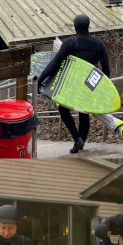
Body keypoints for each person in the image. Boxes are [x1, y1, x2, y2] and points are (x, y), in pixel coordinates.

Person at [37, 14, 111, 154]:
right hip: (89, 85)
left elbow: (54, 63)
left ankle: (77, 139)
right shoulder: (99, 44)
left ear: (76, 27)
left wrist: (40, 81)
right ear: (88, 25)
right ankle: (81, 142)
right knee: (84, 113)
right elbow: (106, 71)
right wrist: (102, 89)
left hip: (72, 84)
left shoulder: (70, 43)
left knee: (64, 110)